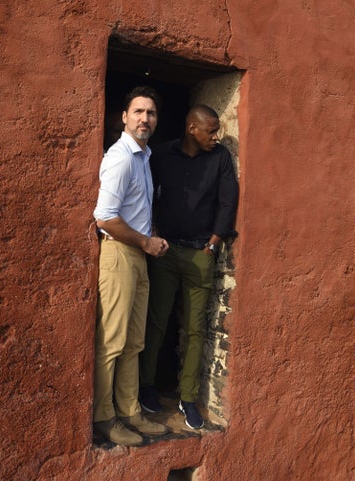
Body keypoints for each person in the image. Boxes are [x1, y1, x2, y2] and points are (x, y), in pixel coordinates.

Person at [138, 104, 239, 429]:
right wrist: (152, 232)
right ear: (192, 129)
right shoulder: (162, 154)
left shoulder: (220, 157)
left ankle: (188, 397)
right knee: (157, 321)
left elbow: (228, 200)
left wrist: (213, 243)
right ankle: (146, 386)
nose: (216, 136)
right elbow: (147, 194)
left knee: (196, 329)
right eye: (211, 130)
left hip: (200, 254)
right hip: (165, 250)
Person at [92, 86, 170, 447]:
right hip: (120, 253)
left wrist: (151, 234)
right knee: (113, 340)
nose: (145, 119)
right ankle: (105, 417)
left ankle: (129, 411)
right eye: (138, 111)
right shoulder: (122, 157)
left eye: (150, 113)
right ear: (124, 117)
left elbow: (133, 211)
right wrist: (144, 241)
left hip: (137, 254)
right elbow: (105, 217)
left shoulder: (143, 157)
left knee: (134, 341)